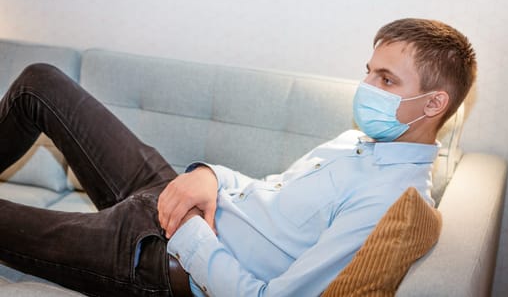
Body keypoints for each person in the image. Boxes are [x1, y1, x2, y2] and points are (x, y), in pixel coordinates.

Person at [0, 18, 476, 297]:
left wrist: (189, 234)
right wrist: (208, 175)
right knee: (40, 82)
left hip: (161, 255)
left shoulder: (391, 202)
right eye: (368, 72)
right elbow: (266, 189)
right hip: (178, 196)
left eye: (386, 80)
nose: (366, 88)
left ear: (434, 104)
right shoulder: (357, 141)